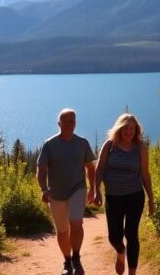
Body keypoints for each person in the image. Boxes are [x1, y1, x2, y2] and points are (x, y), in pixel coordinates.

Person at [93, 113, 155, 275]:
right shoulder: (110, 145)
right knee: (114, 237)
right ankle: (121, 253)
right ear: (119, 129)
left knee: (131, 234)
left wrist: (151, 199)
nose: (129, 132)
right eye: (125, 128)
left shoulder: (140, 148)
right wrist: (96, 190)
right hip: (113, 197)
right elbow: (100, 169)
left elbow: (145, 174)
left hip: (135, 196)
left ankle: (132, 272)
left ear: (136, 130)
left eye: (132, 129)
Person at [37, 109, 96, 275]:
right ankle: (67, 261)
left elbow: (90, 168)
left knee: (76, 222)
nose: (69, 124)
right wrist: (43, 189)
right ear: (59, 124)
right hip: (55, 193)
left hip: (78, 188)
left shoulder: (82, 143)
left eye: (72, 121)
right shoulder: (49, 145)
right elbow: (41, 170)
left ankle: (76, 258)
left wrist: (93, 189)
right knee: (62, 231)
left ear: (75, 123)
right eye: (65, 121)